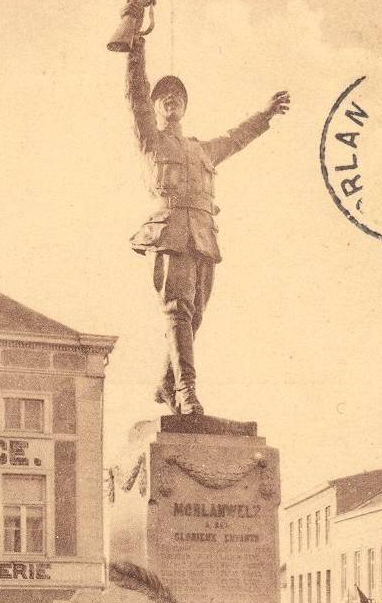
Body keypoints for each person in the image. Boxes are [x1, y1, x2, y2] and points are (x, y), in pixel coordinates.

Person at [124, 20, 290, 415]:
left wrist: (264, 115)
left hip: (203, 238)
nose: (170, 100)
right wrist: (135, 48)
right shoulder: (151, 139)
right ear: (156, 104)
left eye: (177, 96)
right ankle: (185, 392)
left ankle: (167, 382)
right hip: (170, 235)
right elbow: (134, 95)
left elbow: (236, 138)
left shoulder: (202, 150)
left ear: (185, 105)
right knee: (178, 311)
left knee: (194, 315)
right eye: (163, 95)